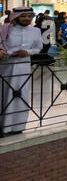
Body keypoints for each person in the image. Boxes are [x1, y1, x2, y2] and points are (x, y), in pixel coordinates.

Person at [0, 7, 44, 136]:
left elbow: (38, 48)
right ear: (16, 16)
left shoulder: (35, 31)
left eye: (30, 16)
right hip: (5, 67)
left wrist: (27, 52)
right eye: (24, 16)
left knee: (20, 95)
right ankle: (3, 126)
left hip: (23, 68)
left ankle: (17, 126)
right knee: (4, 94)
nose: (27, 19)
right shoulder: (4, 29)